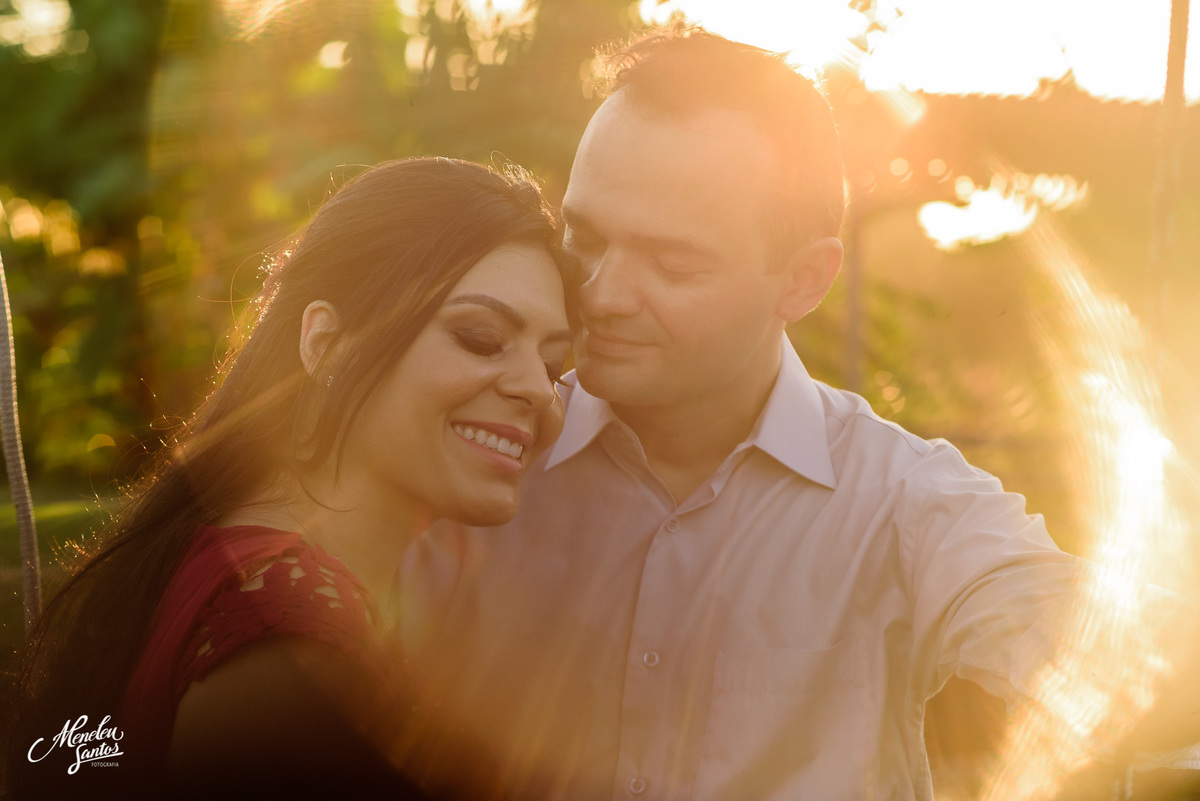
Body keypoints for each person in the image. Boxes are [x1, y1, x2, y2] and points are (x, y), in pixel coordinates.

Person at [399, 24, 1200, 801]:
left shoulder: (906, 505)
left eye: (672, 263)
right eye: (585, 235)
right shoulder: (476, 453)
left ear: (804, 280)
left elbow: (1112, 647)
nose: (602, 295)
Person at [6, 157, 573, 799]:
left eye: (553, 365)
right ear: (326, 343)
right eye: (480, 337)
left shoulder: (211, 563)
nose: (538, 391)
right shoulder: (294, 653)